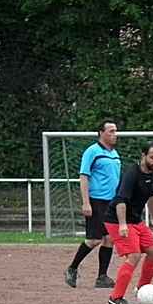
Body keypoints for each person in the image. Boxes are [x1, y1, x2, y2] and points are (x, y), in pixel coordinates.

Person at [104, 141, 153, 304]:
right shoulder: (132, 174)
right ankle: (115, 297)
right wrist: (123, 225)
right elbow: (121, 201)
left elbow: (152, 196)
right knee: (134, 255)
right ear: (143, 156)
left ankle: (141, 289)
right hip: (117, 220)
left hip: (136, 220)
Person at [64, 120, 121, 289]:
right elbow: (84, 176)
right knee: (94, 239)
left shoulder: (115, 153)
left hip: (112, 202)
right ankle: (72, 268)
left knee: (110, 238)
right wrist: (86, 202)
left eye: (115, 131)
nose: (114, 134)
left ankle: (102, 277)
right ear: (101, 133)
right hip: (96, 201)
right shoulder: (92, 151)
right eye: (111, 131)